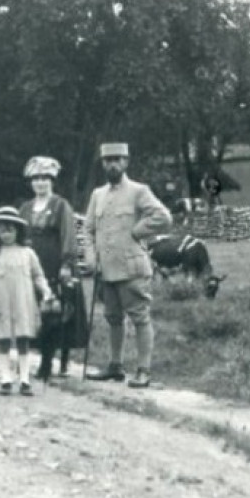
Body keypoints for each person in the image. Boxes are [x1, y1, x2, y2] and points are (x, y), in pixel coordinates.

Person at [84, 141, 173, 389]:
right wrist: (91, 258)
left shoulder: (138, 191)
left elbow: (163, 217)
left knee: (140, 317)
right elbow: (88, 230)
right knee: (113, 317)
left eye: (117, 160)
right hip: (106, 269)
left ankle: (144, 370)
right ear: (103, 164)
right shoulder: (97, 195)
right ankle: (115, 366)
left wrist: (138, 231)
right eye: (107, 160)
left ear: (126, 162)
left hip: (132, 267)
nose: (112, 164)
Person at [18, 155, 88, 381]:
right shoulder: (26, 208)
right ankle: (35, 357)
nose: (40, 183)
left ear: (52, 181)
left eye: (45, 179)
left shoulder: (60, 205)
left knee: (55, 312)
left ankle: (50, 362)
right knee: (33, 311)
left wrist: (67, 264)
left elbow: (69, 235)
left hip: (54, 261)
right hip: (30, 262)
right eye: (36, 179)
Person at [0, 206, 52, 396]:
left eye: (10, 230)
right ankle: (5, 378)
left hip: (23, 302)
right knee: (3, 339)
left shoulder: (28, 253)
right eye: (2, 230)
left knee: (23, 339)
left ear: (18, 231)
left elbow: (38, 276)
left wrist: (45, 291)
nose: (6, 234)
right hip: (2, 303)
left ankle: (25, 379)